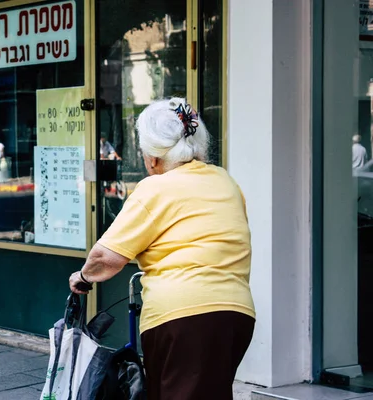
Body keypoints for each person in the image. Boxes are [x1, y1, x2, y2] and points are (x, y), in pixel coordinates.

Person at [69, 98, 255, 400]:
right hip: (236, 314)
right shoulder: (226, 182)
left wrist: (83, 277)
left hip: (183, 317)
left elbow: (106, 258)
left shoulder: (156, 187)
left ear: (153, 157)